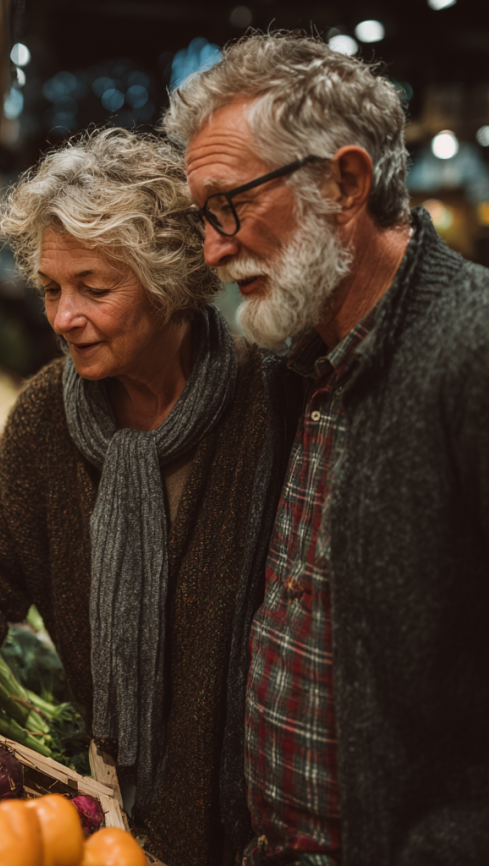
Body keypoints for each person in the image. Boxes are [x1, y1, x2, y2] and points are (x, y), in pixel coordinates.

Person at [0, 128, 299, 866]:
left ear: (167, 280)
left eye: (94, 287)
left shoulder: (271, 401)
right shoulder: (47, 414)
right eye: (52, 289)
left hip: (259, 804)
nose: (62, 318)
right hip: (118, 790)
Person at [164, 32, 489, 866]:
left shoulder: (473, 350)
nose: (213, 248)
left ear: (344, 183)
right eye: (204, 218)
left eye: (228, 206)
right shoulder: (293, 368)